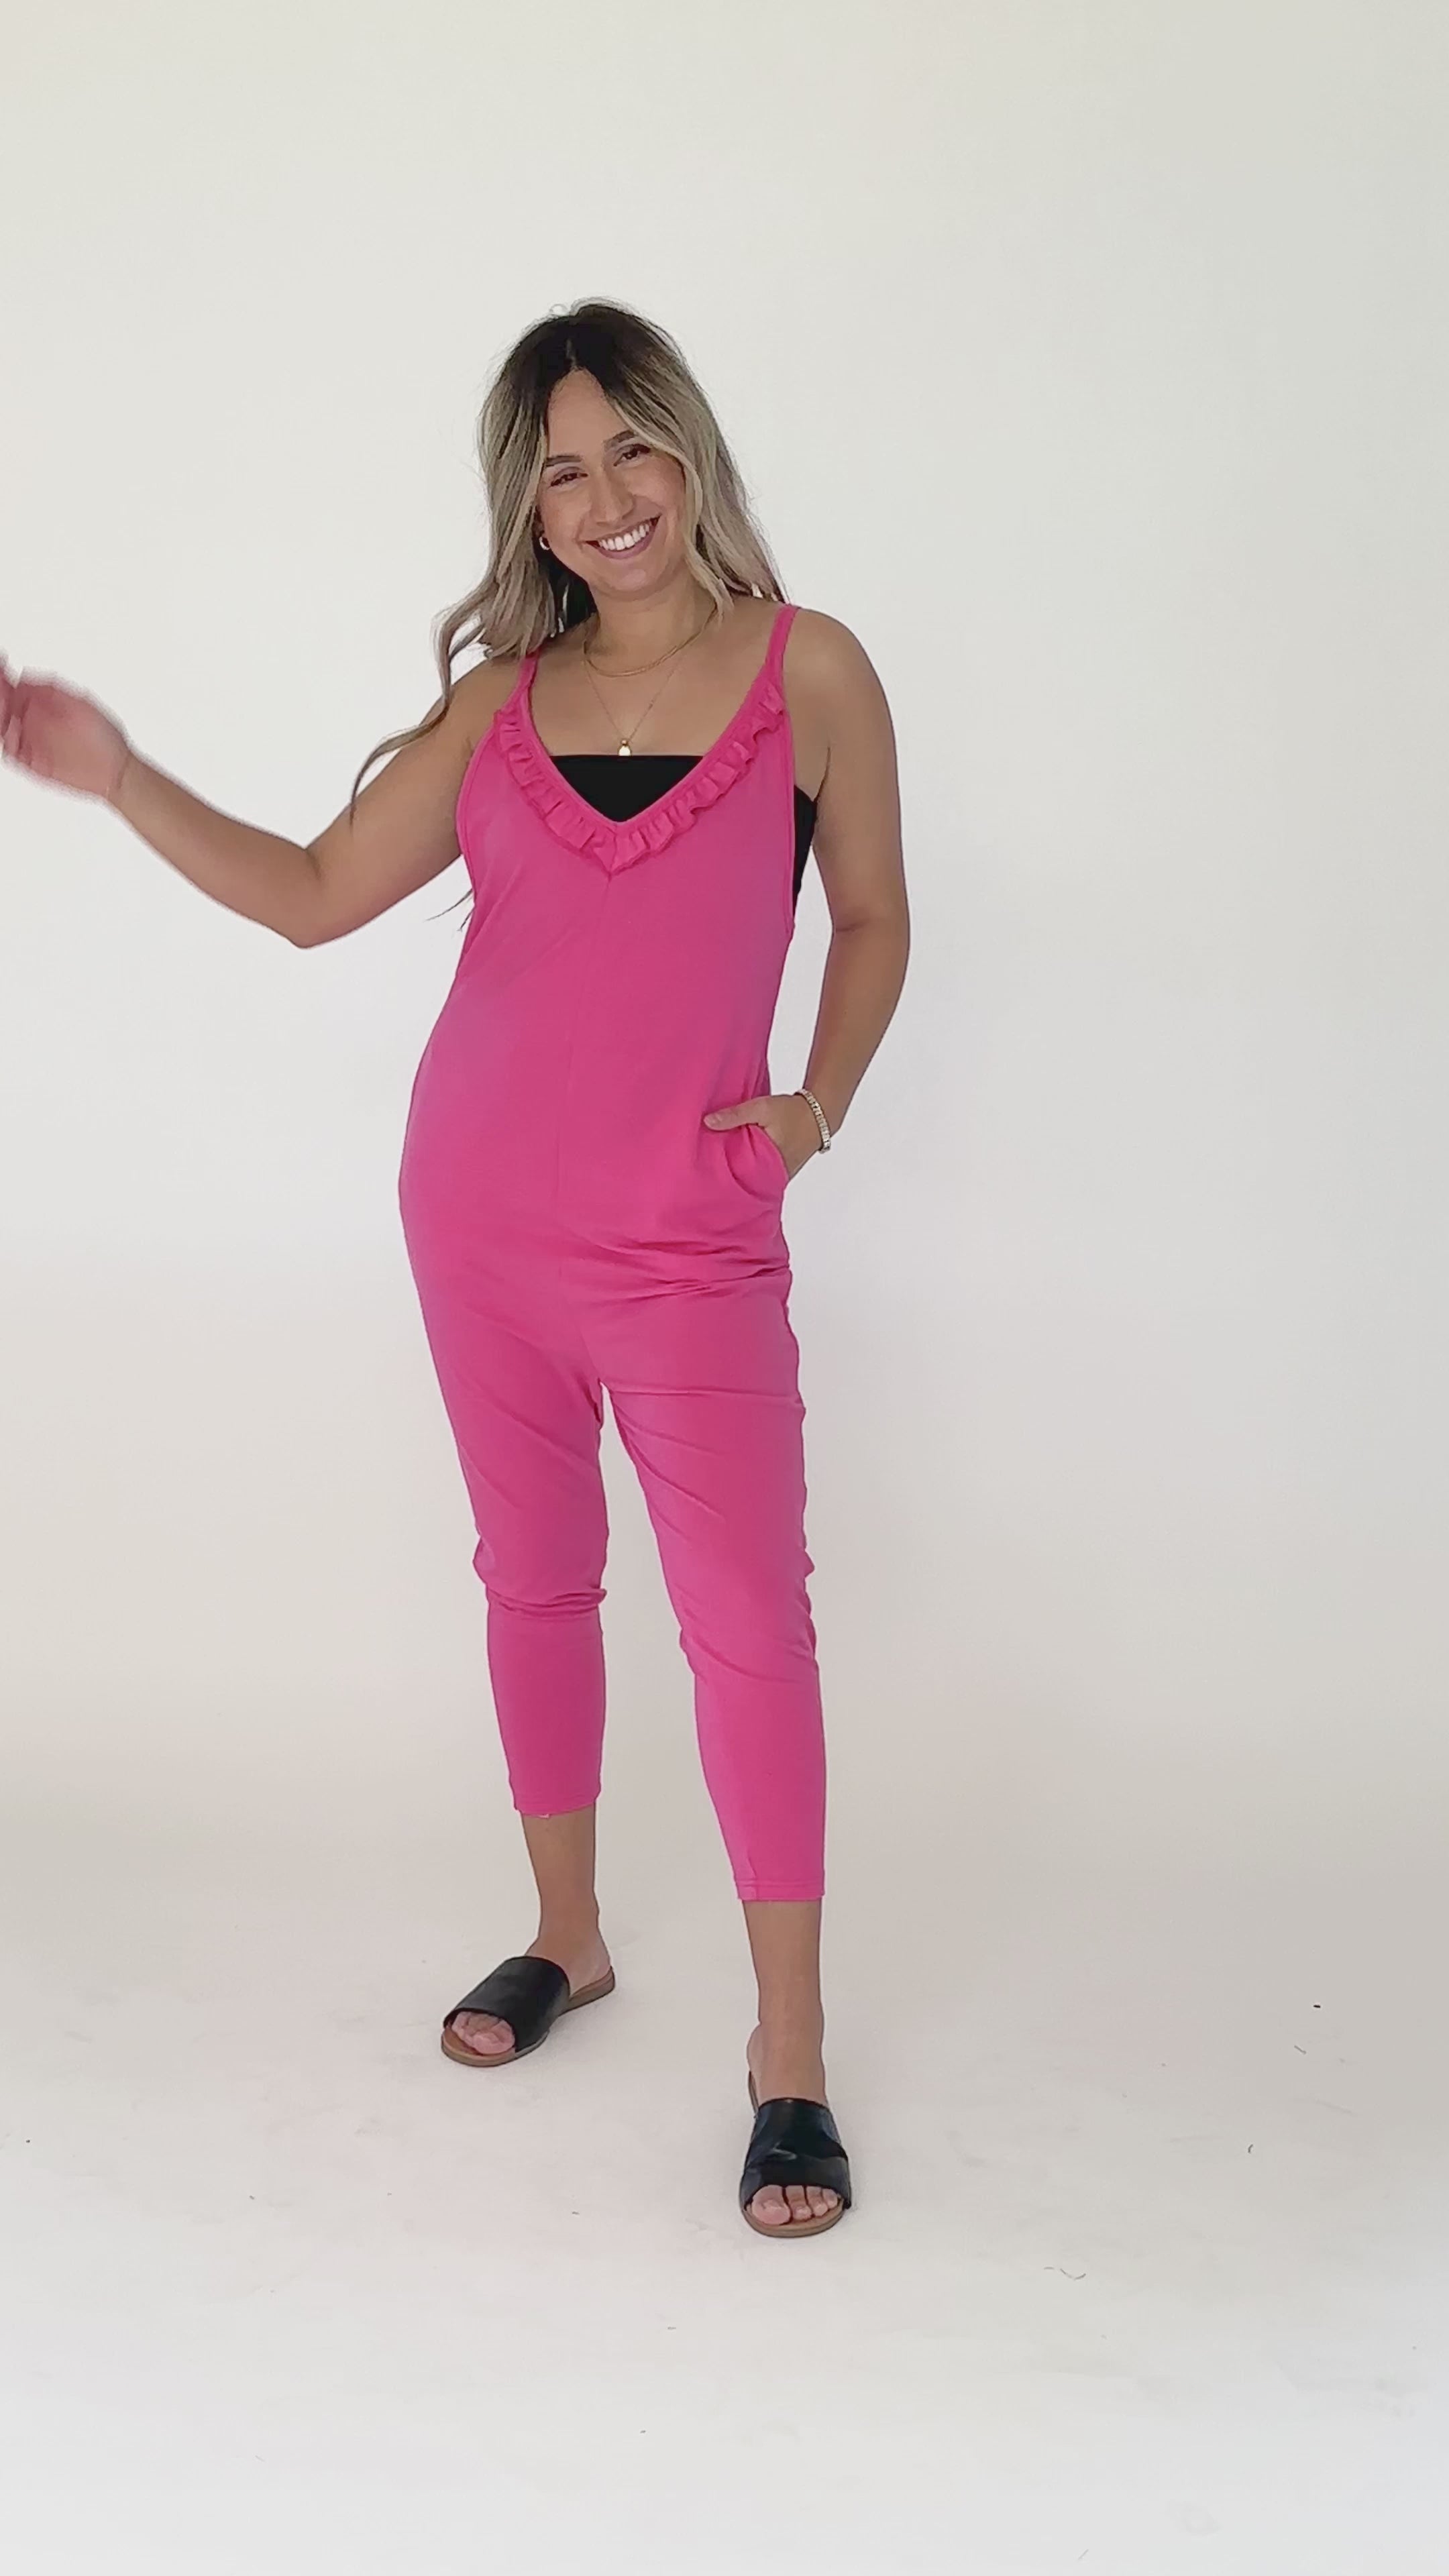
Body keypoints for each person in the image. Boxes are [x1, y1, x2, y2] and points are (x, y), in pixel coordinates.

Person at [0, 297, 910, 2237]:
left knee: (751, 1625)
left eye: (633, 448)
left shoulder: (811, 670)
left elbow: (874, 919)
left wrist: (812, 1110)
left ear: (692, 452)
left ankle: (792, 2051)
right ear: (530, 508)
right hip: (478, 1226)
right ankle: (568, 1936)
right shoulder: (502, 704)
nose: (608, 498)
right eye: (562, 472)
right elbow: (318, 895)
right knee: (534, 1579)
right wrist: (124, 776)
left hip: (691, 1245)